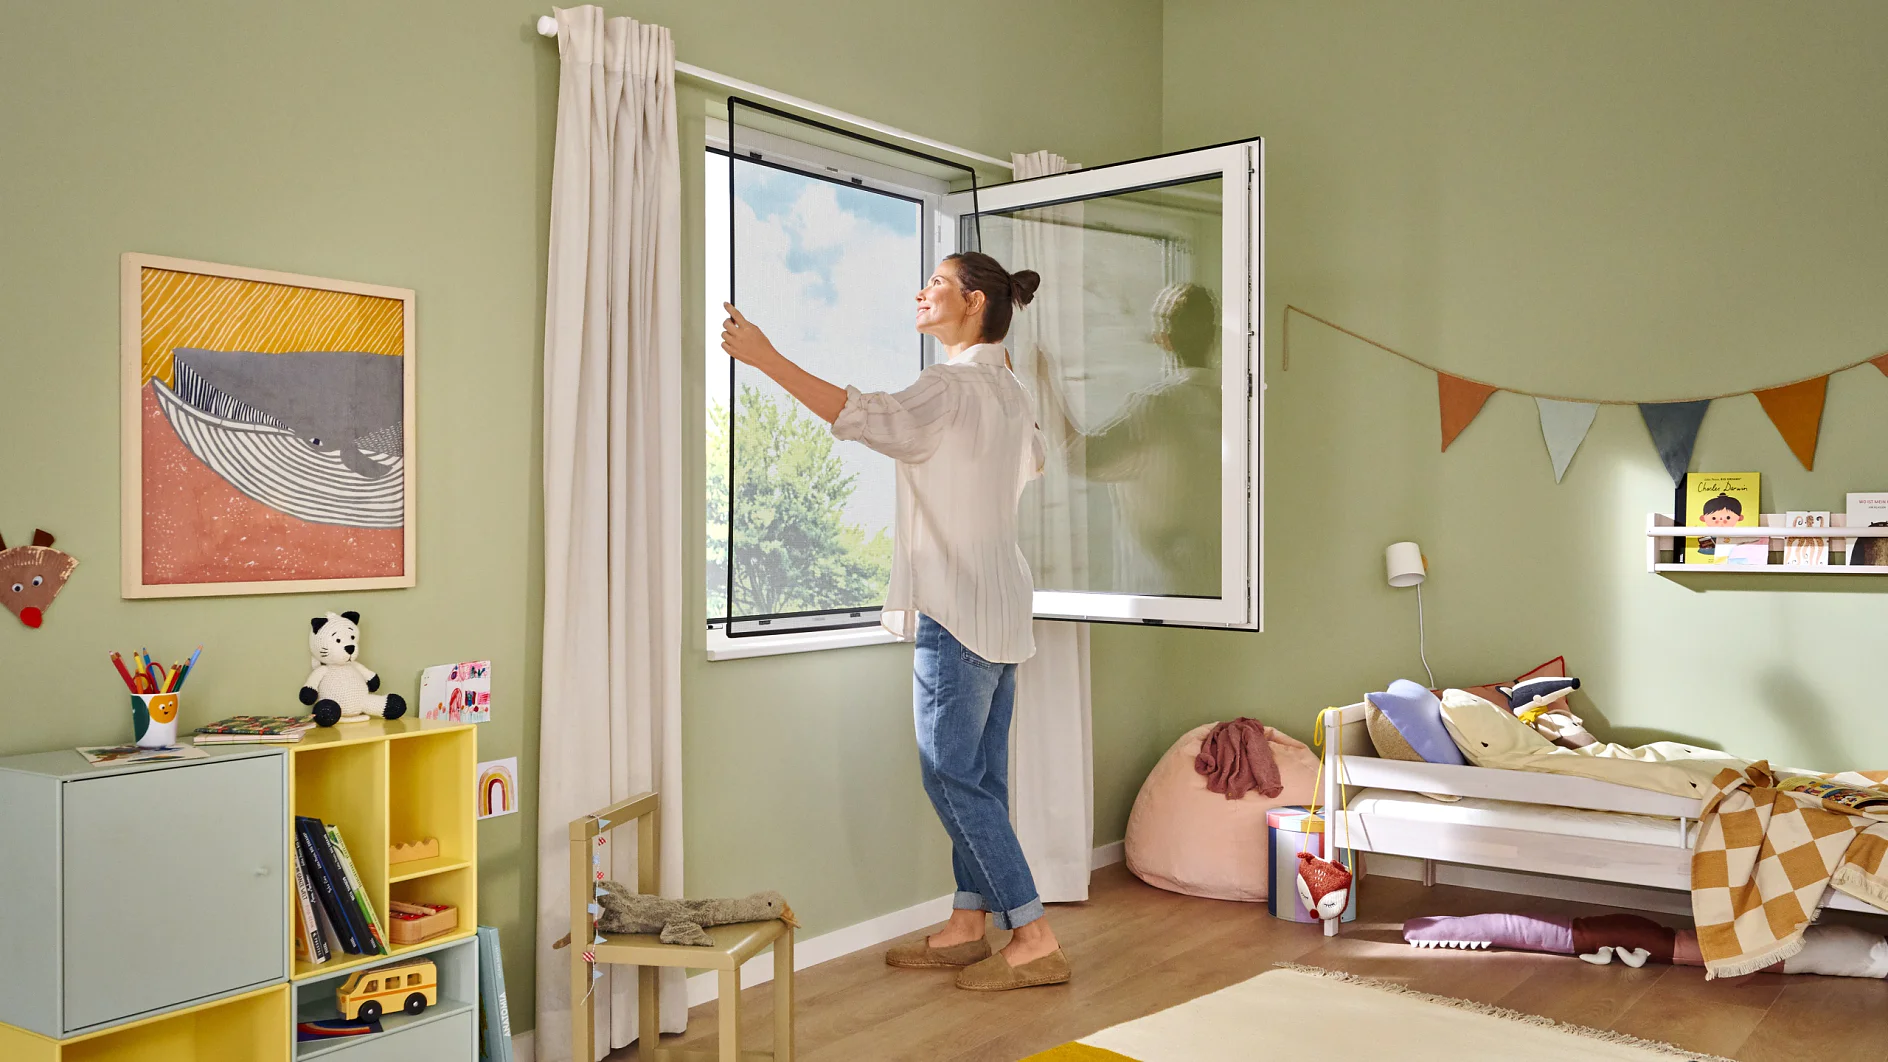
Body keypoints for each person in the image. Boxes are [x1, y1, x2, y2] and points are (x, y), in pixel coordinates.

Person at [719, 251, 1070, 992]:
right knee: (982, 780)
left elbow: (865, 416)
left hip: (956, 604)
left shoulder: (952, 386)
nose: (922, 291)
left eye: (937, 283)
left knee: (951, 775)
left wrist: (767, 358)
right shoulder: (1009, 391)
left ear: (973, 302)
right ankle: (970, 921)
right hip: (1004, 605)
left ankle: (1033, 935)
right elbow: (1033, 462)